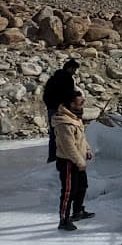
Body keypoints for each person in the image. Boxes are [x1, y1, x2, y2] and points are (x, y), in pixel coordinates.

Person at [51, 89, 93, 231]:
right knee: (69, 191)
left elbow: (81, 138)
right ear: (70, 104)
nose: (82, 106)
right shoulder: (64, 123)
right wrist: (80, 162)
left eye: (83, 102)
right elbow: (69, 147)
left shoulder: (75, 119)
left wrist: (87, 149)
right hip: (69, 162)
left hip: (78, 160)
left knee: (82, 186)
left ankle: (77, 211)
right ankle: (64, 219)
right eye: (80, 103)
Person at [41, 58, 80, 164]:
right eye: (74, 69)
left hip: (52, 109)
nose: (75, 71)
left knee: (54, 134)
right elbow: (68, 95)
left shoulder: (52, 79)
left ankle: (52, 158)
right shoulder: (68, 79)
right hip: (63, 110)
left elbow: (46, 96)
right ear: (70, 68)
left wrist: (51, 106)